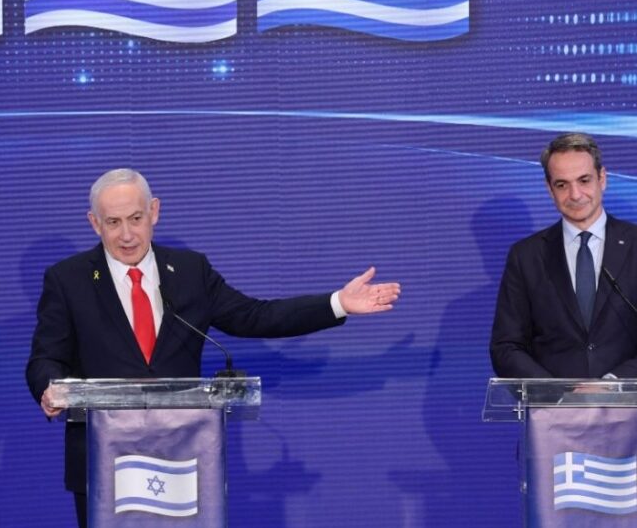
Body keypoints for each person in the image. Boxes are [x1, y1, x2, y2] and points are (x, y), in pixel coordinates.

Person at [26, 168, 401, 526]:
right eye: (113, 222)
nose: (127, 234)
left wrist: (336, 302)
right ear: (94, 223)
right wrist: (50, 387)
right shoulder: (68, 279)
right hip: (105, 459)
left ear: (154, 211)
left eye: (136, 218)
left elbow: (255, 316)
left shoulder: (190, 271)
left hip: (183, 458)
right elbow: (46, 357)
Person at [490, 133, 637, 379]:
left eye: (584, 180)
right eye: (562, 184)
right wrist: (556, 392)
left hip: (629, 408)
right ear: (549, 189)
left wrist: (613, 383)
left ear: (602, 179)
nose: (575, 194)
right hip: (554, 411)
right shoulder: (526, 256)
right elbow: (506, 347)